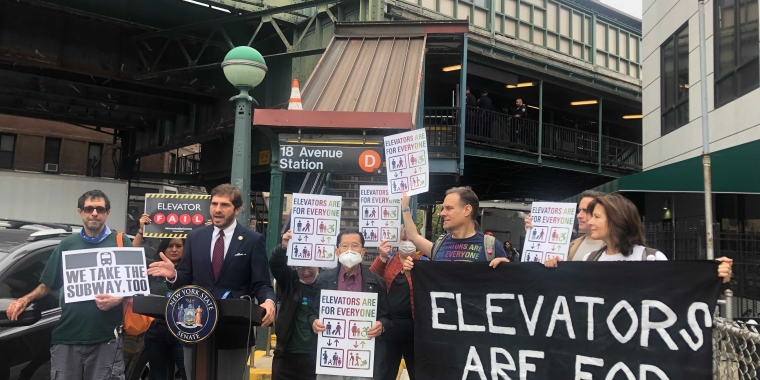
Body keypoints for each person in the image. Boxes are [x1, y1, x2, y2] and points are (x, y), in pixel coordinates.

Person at [147, 184, 276, 380]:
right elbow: (186, 280)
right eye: (214, 204)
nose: (217, 209)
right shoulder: (195, 237)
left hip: (233, 332)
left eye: (224, 205)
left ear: (238, 209)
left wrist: (268, 301)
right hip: (195, 330)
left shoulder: (252, 240)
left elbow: (261, 283)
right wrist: (173, 275)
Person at [6, 190, 132, 380]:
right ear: (80, 212)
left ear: (108, 212)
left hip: (105, 338)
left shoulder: (121, 242)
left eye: (100, 208)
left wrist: (119, 298)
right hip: (66, 338)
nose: (95, 213)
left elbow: (136, 283)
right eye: (89, 208)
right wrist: (25, 299)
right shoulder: (67, 245)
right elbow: (48, 283)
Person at [544, 194, 733, 284]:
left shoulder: (651, 259)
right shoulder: (590, 260)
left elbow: (676, 290)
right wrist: (556, 270)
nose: (590, 221)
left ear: (617, 220)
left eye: (597, 217)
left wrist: (711, 275)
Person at [308, 228, 391, 380]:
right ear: (337, 251)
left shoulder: (377, 282)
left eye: (355, 245)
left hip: (362, 359)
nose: (350, 250)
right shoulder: (323, 280)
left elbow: (387, 317)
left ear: (363, 251)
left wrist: (381, 325)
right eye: (344, 246)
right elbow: (312, 312)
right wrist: (314, 321)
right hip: (331, 359)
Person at [400, 187, 509, 270]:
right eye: (443, 208)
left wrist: (507, 269)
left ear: (467, 210)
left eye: (449, 208)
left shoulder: (492, 246)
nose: (442, 213)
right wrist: (405, 207)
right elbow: (413, 237)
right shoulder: (439, 246)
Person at [369, 229, 419, 380]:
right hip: (390, 329)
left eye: (410, 240)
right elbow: (371, 278)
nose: (407, 244)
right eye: (404, 240)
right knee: (387, 373)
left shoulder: (423, 262)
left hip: (415, 331)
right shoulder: (390, 261)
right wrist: (382, 257)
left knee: (418, 373)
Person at [270, 229, 319, 380]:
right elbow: (276, 264)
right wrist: (283, 247)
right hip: (287, 353)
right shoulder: (289, 282)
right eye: (300, 268)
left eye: (309, 267)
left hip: (315, 356)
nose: (305, 272)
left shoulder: (328, 283)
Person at [145, 238, 188, 380]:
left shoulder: (191, 271)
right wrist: (140, 231)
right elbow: (130, 254)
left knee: (187, 373)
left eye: (178, 246)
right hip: (155, 329)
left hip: (182, 330)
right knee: (157, 375)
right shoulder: (153, 268)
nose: (174, 249)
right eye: (170, 246)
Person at [525, 190, 606, 261]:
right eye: (579, 210)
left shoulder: (615, 248)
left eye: (585, 211)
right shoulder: (572, 245)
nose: (579, 215)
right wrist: (531, 233)